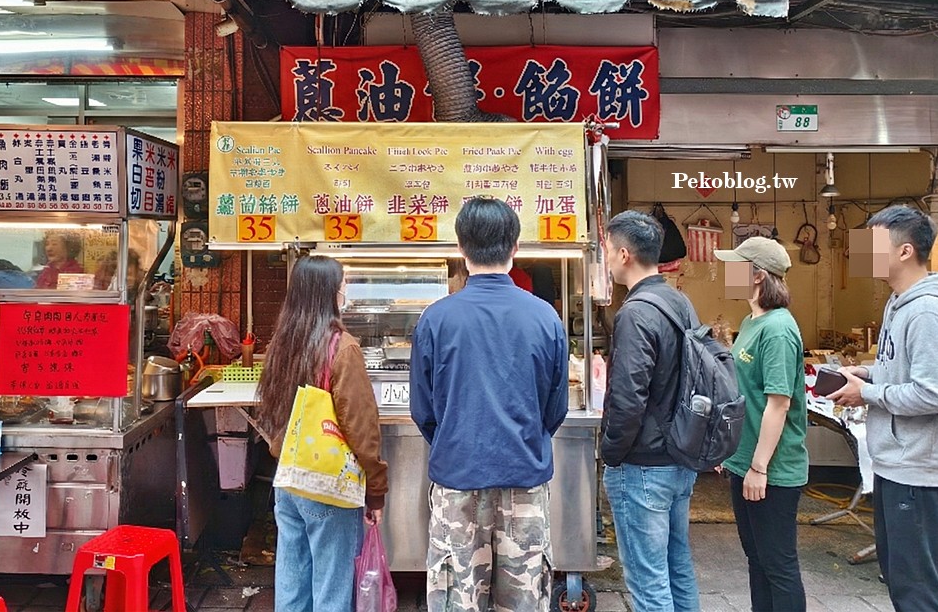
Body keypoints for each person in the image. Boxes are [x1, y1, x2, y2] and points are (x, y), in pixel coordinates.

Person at [410, 197, 568, 612]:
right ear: (515, 248)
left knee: (457, 597)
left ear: (460, 248)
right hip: (525, 478)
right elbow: (556, 406)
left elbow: (423, 410)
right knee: (524, 599)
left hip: (457, 477)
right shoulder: (545, 317)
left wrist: (455, 437)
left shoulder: (436, 318)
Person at [829, 205, 938, 612]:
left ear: (905, 251)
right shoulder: (899, 303)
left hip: (920, 472)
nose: (860, 252)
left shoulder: (927, 311)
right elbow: (904, 370)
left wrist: (866, 395)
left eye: (871, 243)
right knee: (902, 581)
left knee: (919, 591)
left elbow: (936, 394)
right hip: (897, 465)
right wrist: (870, 373)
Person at [256, 255, 388, 612]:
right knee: (332, 587)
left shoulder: (282, 343)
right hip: (328, 485)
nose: (345, 290)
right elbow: (360, 427)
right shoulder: (341, 347)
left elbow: (272, 409)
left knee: (292, 582)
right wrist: (376, 490)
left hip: (288, 480)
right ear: (330, 292)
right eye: (342, 284)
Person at [600, 209, 700, 612]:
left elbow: (628, 399)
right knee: (677, 567)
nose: (605, 257)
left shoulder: (636, 313)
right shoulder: (679, 301)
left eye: (607, 248)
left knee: (647, 580)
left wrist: (610, 454)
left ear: (624, 254)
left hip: (643, 465)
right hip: (680, 455)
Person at [714, 236, 808, 612]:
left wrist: (758, 466)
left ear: (756, 276)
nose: (726, 272)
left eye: (735, 265)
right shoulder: (752, 321)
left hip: (773, 468)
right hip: (745, 461)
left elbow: (779, 403)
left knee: (778, 564)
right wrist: (729, 450)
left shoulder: (779, 329)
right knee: (757, 559)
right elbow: (745, 396)